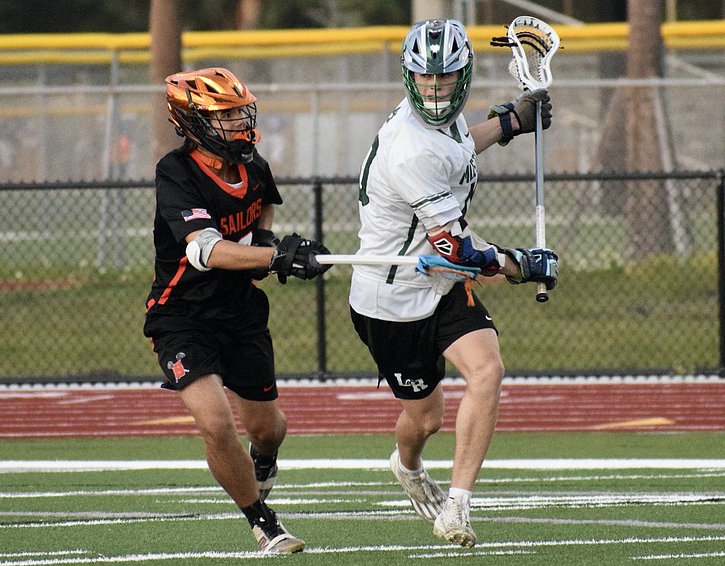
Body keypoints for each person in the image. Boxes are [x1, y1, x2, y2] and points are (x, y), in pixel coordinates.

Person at [349, 19, 559, 549]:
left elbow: (461, 146)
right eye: (425, 78)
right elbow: (458, 251)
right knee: (425, 419)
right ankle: (408, 466)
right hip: (393, 297)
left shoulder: (444, 123)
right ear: (409, 76)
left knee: (488, 370)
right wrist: (519, 264)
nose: (436, 89)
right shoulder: (410, 148)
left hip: (439, 283)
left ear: (463, 76)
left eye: (445, 78)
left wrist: (510, 122)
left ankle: (458, 506)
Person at [143, 67, 329, 554]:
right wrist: (274, 257)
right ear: (193, 121)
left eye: (240, 113)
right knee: (215, 421)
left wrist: (267, 241)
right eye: (225, 116)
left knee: (269, 430)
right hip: (182, 316)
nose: (238, 123)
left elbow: (263, 204)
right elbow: (205, 250)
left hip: (241, 313)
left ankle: (263, 460)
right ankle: (264, 523)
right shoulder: (176, 172)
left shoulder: (253, 165)